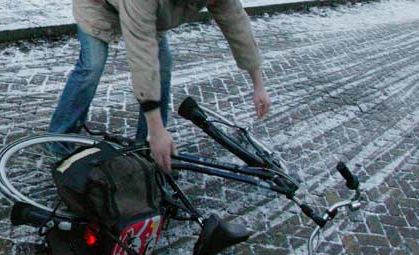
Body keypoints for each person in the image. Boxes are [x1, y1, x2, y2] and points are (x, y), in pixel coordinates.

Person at [49, 0, 272, 172]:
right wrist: (157, 129)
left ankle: (147, 147)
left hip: (147, 16)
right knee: (92, 67)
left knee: (163, 67)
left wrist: (258, 85)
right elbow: (142, 57)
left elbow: (238, 27)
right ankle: (60, 140)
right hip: (99, 6)